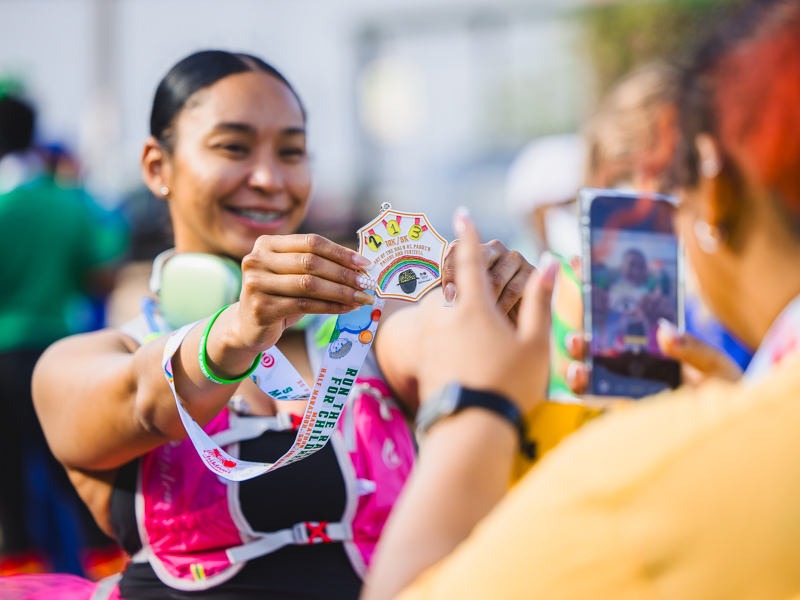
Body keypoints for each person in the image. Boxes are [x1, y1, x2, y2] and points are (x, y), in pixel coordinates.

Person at [21, 51, 532, 600]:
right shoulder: (85, 360)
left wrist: (494, 310)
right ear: (156, 167)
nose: (268, 179)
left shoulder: (372, 330)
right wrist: (238, 328)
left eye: (292, 152)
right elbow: (146, 399)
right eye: (233, 148)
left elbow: (438, 338)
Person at [363, 0, 800, 597]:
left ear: (714, 189)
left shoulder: (620, 488)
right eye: (623, 183)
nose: (647, 205)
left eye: (672, 184)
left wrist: (476, 407)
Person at [0, 97, 126, 578]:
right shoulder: (67, 206)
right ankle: (112, 578)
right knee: (76, 477)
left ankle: (23, 586)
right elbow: (99, 276)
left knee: (9, 490)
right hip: (53, 355)